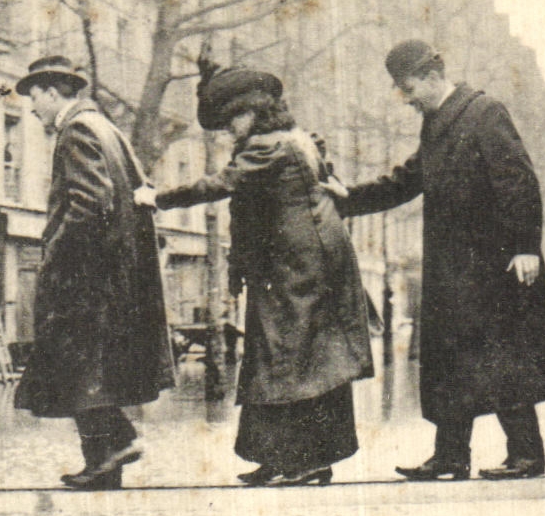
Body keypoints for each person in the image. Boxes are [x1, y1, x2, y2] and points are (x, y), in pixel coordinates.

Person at [338, 40, 545, 480]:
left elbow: (518, 180)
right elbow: (405, 181)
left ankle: (527, 455)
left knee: (504, 357)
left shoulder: (484, 112)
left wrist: (525, 246)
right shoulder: (437, 123)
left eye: (408, 88)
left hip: (494, 265)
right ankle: (451, 456)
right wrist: (346, 199)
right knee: (451, 360)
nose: (405, 98)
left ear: (433, 76)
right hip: (452, 268)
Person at [141, 67, 374, 486]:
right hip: (300, 263)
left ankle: (305, 461)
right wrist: (239, 268)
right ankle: (280, 457)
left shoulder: (269, 146)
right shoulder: (293, 140)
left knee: (294, 360)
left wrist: (156, 197)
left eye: (234, 119)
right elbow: (249, 211)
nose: (230, 129)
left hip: (302, 268)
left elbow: (220, 186)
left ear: (255, 113)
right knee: (281, 356)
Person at [10, 56, 176, 489]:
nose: (32, 108)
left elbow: (90, 204)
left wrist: (55, 256)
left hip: (85, 275)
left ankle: (118, 442)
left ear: (51, 92)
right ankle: (105, 465)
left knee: (75, 365)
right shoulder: (107, 129)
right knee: (92, 370)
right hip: (114, 274)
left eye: (34, 98)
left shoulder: (76, 132)